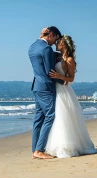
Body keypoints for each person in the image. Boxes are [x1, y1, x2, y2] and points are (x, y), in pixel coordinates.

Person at [46, 34, 97, 158]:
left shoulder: (69, 59)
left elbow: (72, 78)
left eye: (58, 42)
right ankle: (58, 145)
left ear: (64, 44)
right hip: (55, 89)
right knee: (57, 118)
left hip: (64, 90)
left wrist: (59, 77)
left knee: (63, 117)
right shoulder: (57, 57)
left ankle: (67, 147)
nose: (56, 44)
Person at [28, 26, 64, 159]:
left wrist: (41, 35)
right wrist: (64, 82)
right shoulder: (46, 49)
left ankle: (34, 151)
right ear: (51, 35)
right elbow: (50, 72)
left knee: (38, 119)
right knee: (50, 116)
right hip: (46, 87)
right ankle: (39, 150)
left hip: (36, 86)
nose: (55, 43)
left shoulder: (32, 47)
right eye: (56, 39)